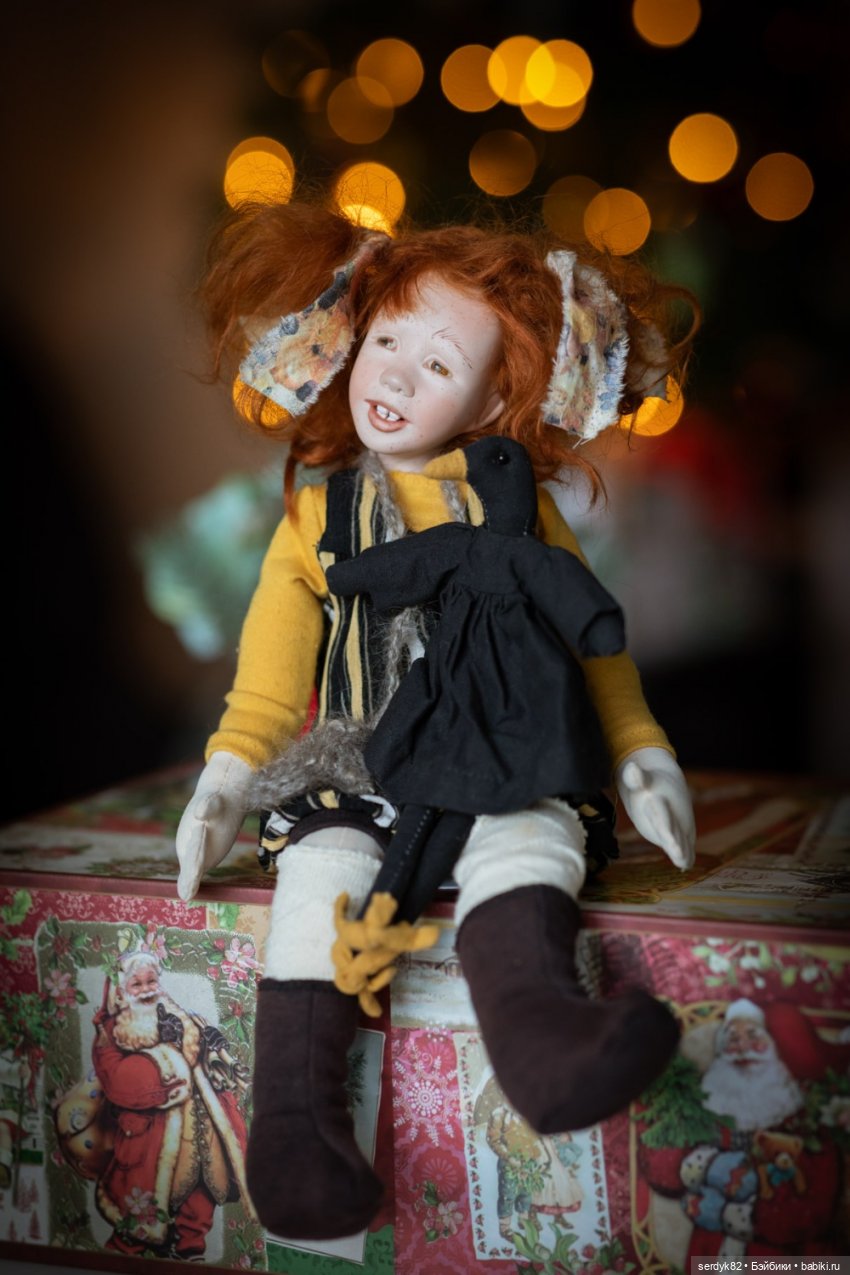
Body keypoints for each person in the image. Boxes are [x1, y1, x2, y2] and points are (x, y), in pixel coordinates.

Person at [175, 200, 698, 1239]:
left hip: (498, 748)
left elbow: (594, 652)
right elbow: (269, 682)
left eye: (440, 362)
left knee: (531, 834)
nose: (397, 378)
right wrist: (224, 781)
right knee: (320, 869)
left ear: (495, 394)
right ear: (349, 340)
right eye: (385, 343)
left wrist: (642, 755)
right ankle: (294, 1134)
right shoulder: (317, 517)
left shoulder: (521, 514)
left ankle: (543, 1045)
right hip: (356, 763)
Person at [639, 997, 849, 1261]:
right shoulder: (707, 1111)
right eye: (733, 1040)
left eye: (754, 1037)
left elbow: (817, 1206)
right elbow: (662, 1174)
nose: (743, 1050)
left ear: (775, 1050)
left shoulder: (805, 1121)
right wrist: (702, 1165)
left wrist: (747, 1214)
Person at [91, 950, 250, 1260]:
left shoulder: (180, 1016)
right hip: (150, 1141)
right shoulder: (114, 1031)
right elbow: (119, 1080)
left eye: (151, 981)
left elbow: (209, 1065)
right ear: (122, 990)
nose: (146, 989)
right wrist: (168, 1060)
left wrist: (209, 1045)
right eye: (137, 984)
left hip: (201, 1134)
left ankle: (193, 1250)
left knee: (201, 1192)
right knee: (141, 1207)